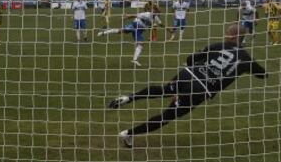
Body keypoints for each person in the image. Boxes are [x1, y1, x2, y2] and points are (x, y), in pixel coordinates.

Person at [107, 24, 267, 148]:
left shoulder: (219, 45)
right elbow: (262, 75)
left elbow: (191, 58)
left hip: (187, 74)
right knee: (166, 117)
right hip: (201, 89)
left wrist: (198, 66)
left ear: (232, 36)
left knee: (164, 90)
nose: (225, 35)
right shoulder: (246, 59)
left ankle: (129, 97)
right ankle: (128, 134)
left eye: (227, 33)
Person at [97, 11, 162, 67]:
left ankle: (134, 60)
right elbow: (135, 15)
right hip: (135, 25)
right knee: (121, 31)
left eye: (156, 12)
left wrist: (168, 29)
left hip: (139, 30)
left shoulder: (156, 18)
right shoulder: (147, 14)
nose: (154, 13)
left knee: (140, 43)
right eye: (154, 12)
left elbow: (160, 24)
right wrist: (127, 17)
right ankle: (103, 32)